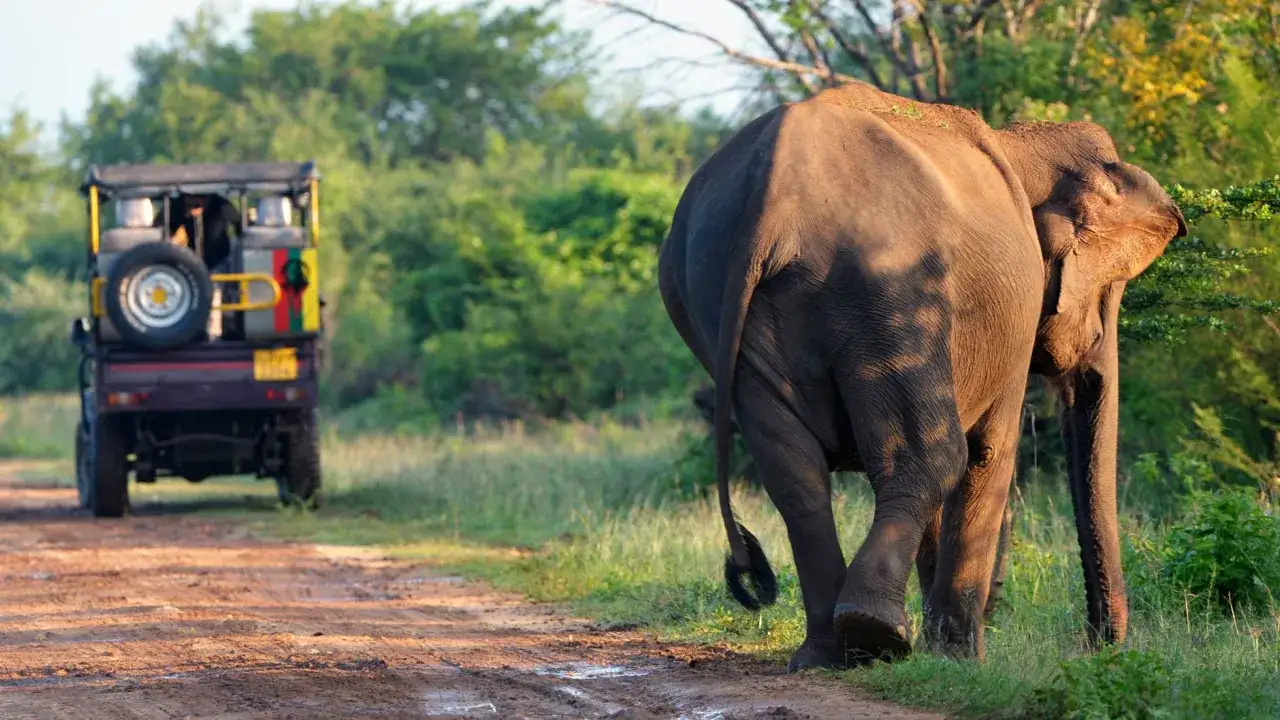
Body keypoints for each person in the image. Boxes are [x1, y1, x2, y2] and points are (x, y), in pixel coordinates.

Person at [164, 193, 241, 269]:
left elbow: (239, 224)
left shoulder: (220, 205)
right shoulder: (177, 206)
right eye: (189, 199)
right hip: (191, 259)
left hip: (219, 258)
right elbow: (163, 228)